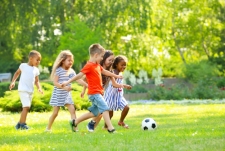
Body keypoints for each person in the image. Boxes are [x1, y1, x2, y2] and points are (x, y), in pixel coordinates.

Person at [62, 44, 122, 133]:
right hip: (94, 93)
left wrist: (116, 75)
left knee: (95, 113)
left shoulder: (97, 65)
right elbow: (79, 75)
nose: (102, 58)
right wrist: (67, 82)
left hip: (98, 92)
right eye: (101, 56)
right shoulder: (89, 65)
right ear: (96, 55)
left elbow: (105, 71)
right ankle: (111, 128)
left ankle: (75, 122)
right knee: (105, 108)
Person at [45, 50, 87, 132]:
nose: (71, 62)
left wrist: (86, 85)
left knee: (73, 111)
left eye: (72, 60)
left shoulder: (71, 71)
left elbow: (78, 79)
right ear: (63, 61)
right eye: (69, 60)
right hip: (58, 94)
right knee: (55, 113)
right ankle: (48, 128)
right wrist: (64, 88)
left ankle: (75, 128)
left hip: (67, 95)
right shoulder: (59, 70)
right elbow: (55, 83)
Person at [85, 50, 126, 132]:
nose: (111, 62)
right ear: (103, 59)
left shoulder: (109, 71)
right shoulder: (97, 68)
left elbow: (114, 83)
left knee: (99, 112)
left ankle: (90, 126)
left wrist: (122, 85)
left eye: (112, 60)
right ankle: (107, 128)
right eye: (109, 60)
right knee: (102, 111)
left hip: (102, 93)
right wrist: (84, 89)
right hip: (95, 93)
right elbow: (86, 79)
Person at [9, 50, 43, 130]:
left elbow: (37, 81)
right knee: (26, 107)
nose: (38, 62)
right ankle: (23, 124)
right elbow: (17, 73)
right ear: (31, 58)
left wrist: (39, 88)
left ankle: (19, 124)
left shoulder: (36, 70)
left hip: (30, 91)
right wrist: (13, 81)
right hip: (23, 89)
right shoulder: (23, 66)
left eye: (39, 60)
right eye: (37, 60)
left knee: (26, 107)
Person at [104, 55, 132, 129]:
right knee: (110, 114)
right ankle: (105, 127)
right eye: (122, 65)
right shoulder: (113, 72)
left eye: (125, 65)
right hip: (110, 96)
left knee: (126, 107)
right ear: (116, 64)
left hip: (118, 96)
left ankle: (121, 121)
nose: (124, 67)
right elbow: (114, 85)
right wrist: (125, 86)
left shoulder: (120, 73)